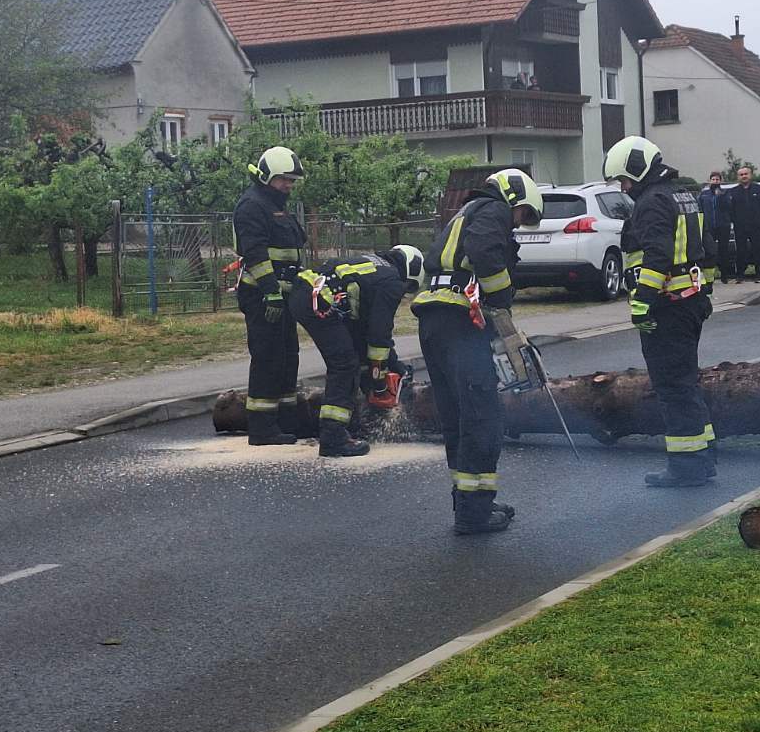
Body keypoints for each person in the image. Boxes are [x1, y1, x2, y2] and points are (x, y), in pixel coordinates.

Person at [412, 168, 543, 534]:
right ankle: (473, 514)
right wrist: (501, 301)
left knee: (457, 415)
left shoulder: (464, 212)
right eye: (523, 216)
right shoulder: (492, 210)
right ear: (514, 199)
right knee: (482, 415)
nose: (518, 225)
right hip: (460, 323)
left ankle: (472, 500)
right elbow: (485, 252)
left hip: (435, 321)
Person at [605, 136, 719, 487]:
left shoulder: (652, 202)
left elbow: (657, 256)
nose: (624, 188)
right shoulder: (683, 193)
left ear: (638, 170)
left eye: (624, 180)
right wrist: (707, 289)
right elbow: (708, 247)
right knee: (685, 383)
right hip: (689, 301)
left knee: (672, 388)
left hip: (667, 306)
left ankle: (686, 468)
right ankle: (703, 458)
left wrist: (642, 301)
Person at [289, 245, 426, 458]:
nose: (403, 290)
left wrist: (395, 365)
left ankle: (350, 426)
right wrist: (379, 379)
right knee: (344, 365)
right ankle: (333, 437)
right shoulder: (391, 281)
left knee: (352, 357)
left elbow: (366, 332)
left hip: (306, 293)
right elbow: (380, 334)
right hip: (317, 300)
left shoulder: (375, 269)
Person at [232, 146, 308, 446]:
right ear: (267, 177)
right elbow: (256, 254)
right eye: (284, 180)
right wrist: (271, 293)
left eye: (291, 180)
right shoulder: (252, 205)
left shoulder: (274, 203)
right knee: (268, 359)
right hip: (262, 297)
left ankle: (287, 421)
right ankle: (262, 428)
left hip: (283, 297)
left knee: (288, 358)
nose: (289, 185)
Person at [727, 165, 760, 282]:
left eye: (746, 174)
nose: (744, 176)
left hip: (755, 226)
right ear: (738, 177)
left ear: (750, 175)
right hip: (740, 227)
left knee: (758, 250)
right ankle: (740, 275)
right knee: (741, 251)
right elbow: (730, 209)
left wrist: (759, 219)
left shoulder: (759, 189)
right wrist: (735, 220)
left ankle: (759, 275)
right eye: (741, 175)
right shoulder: (733, 192)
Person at [699, 170, 733, 281]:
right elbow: (700, 209)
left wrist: (721, 197)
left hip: (723, 226)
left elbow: (729, 207)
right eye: (713, 179)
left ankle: (724, 275)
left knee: (724, 250)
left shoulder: (725, 193)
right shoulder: (704, 194)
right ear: (709, 181)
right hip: (709, 226)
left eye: (717, 179)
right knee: (709, 250)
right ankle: (709, 275)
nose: (715, 181)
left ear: (721, 181)